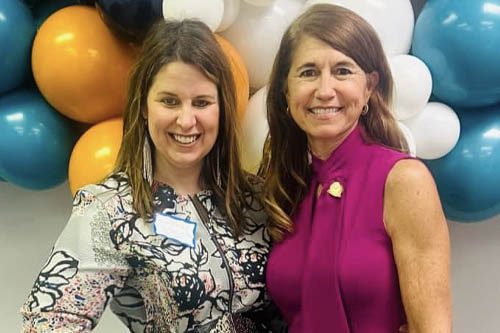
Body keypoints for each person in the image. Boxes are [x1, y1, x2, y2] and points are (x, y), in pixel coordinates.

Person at [22, 19, 281, 332]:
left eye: (201, 102)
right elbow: (49, 322)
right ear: (144, 105)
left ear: (221, 108)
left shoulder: (256, 199)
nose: (186, 120)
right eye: (169, 101)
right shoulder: (111, 211)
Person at [259, 4, 451, 333]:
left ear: (369, 88)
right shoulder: (287, 189)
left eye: (343, 71)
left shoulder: (403, 181)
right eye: (307, 72)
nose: (324, 90)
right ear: (285, 91)